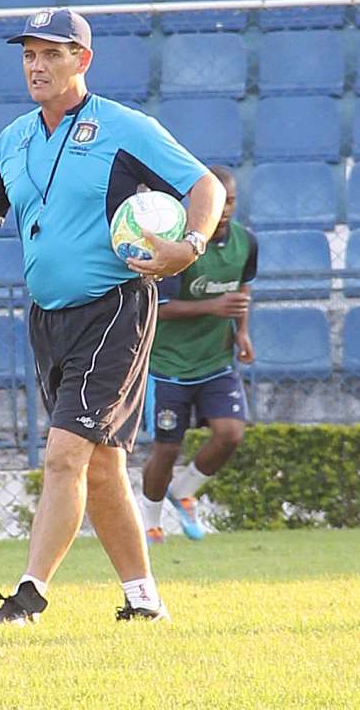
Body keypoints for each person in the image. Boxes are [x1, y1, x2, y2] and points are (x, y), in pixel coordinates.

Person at [0, 8, 224, 624]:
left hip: (114, 310)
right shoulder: (14, 139)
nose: (37, 65)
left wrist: (188, 246)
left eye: (52, 53)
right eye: (29, 54)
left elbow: (205, 187)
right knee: (102, 463)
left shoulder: (124, 127)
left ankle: (29, 595)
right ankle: (144, 601)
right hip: (48, 320)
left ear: (82, 60)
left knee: (63, 455)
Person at [140, 165, 257, 544]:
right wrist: (212, 307)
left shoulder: (246, 243)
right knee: (167, 447)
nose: (225, 210)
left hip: (215, 362)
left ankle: (185, 489)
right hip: (169, 365)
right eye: (218, 201)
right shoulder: (179, 247)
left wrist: (242, 333)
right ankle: (151, 522)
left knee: (230, 434)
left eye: (232, 202)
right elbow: (158, 306)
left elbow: (241, 290)